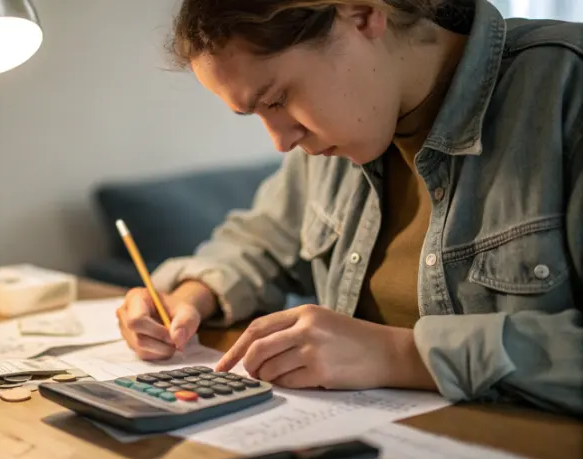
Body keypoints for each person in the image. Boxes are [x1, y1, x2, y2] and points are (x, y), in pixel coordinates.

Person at [115, 0, 583, 417]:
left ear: (361, 15)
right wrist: (192, 294)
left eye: (277, 98)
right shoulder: (337, 139)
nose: (281, 141)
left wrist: (401, 355)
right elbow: (258, 242)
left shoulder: (568, 88)